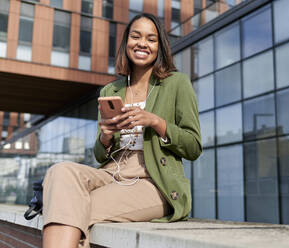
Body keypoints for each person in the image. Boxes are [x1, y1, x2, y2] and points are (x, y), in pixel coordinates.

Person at [42, 13, 202, 248]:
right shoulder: (111, 89)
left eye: (151, 39)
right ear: (126, 41)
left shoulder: (176, 83)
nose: (142, 44)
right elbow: (99, 155)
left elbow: (193, 146)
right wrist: (105, 136)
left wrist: (156, 122)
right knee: (60, 170)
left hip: (153, 181)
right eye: (135, 36)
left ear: (160, 46)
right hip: (112, 174)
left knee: (71, 210)